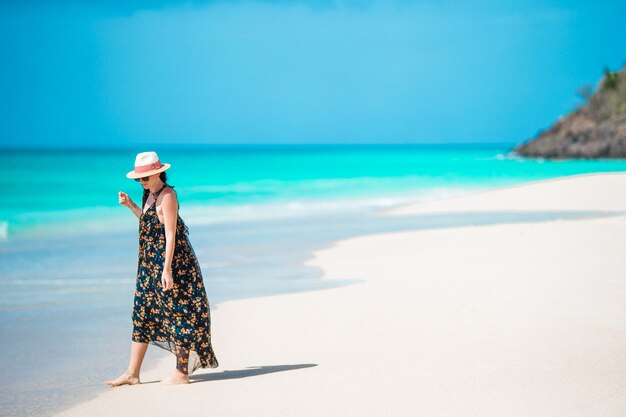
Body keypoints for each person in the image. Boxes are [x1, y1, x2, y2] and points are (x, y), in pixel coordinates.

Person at [105, 151, 219, 386]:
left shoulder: (168, 196)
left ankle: (181, 373)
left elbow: (171, 234)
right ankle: (132, 373)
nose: (141, 182)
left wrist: (166, 270)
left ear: (157, 173)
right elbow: (149, 223)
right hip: (149, 264)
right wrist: (131, 206)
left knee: (178, 312)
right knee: (142, 312)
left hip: (174, 264)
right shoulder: (149, 193)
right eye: (138, 179)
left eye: (144, 178)